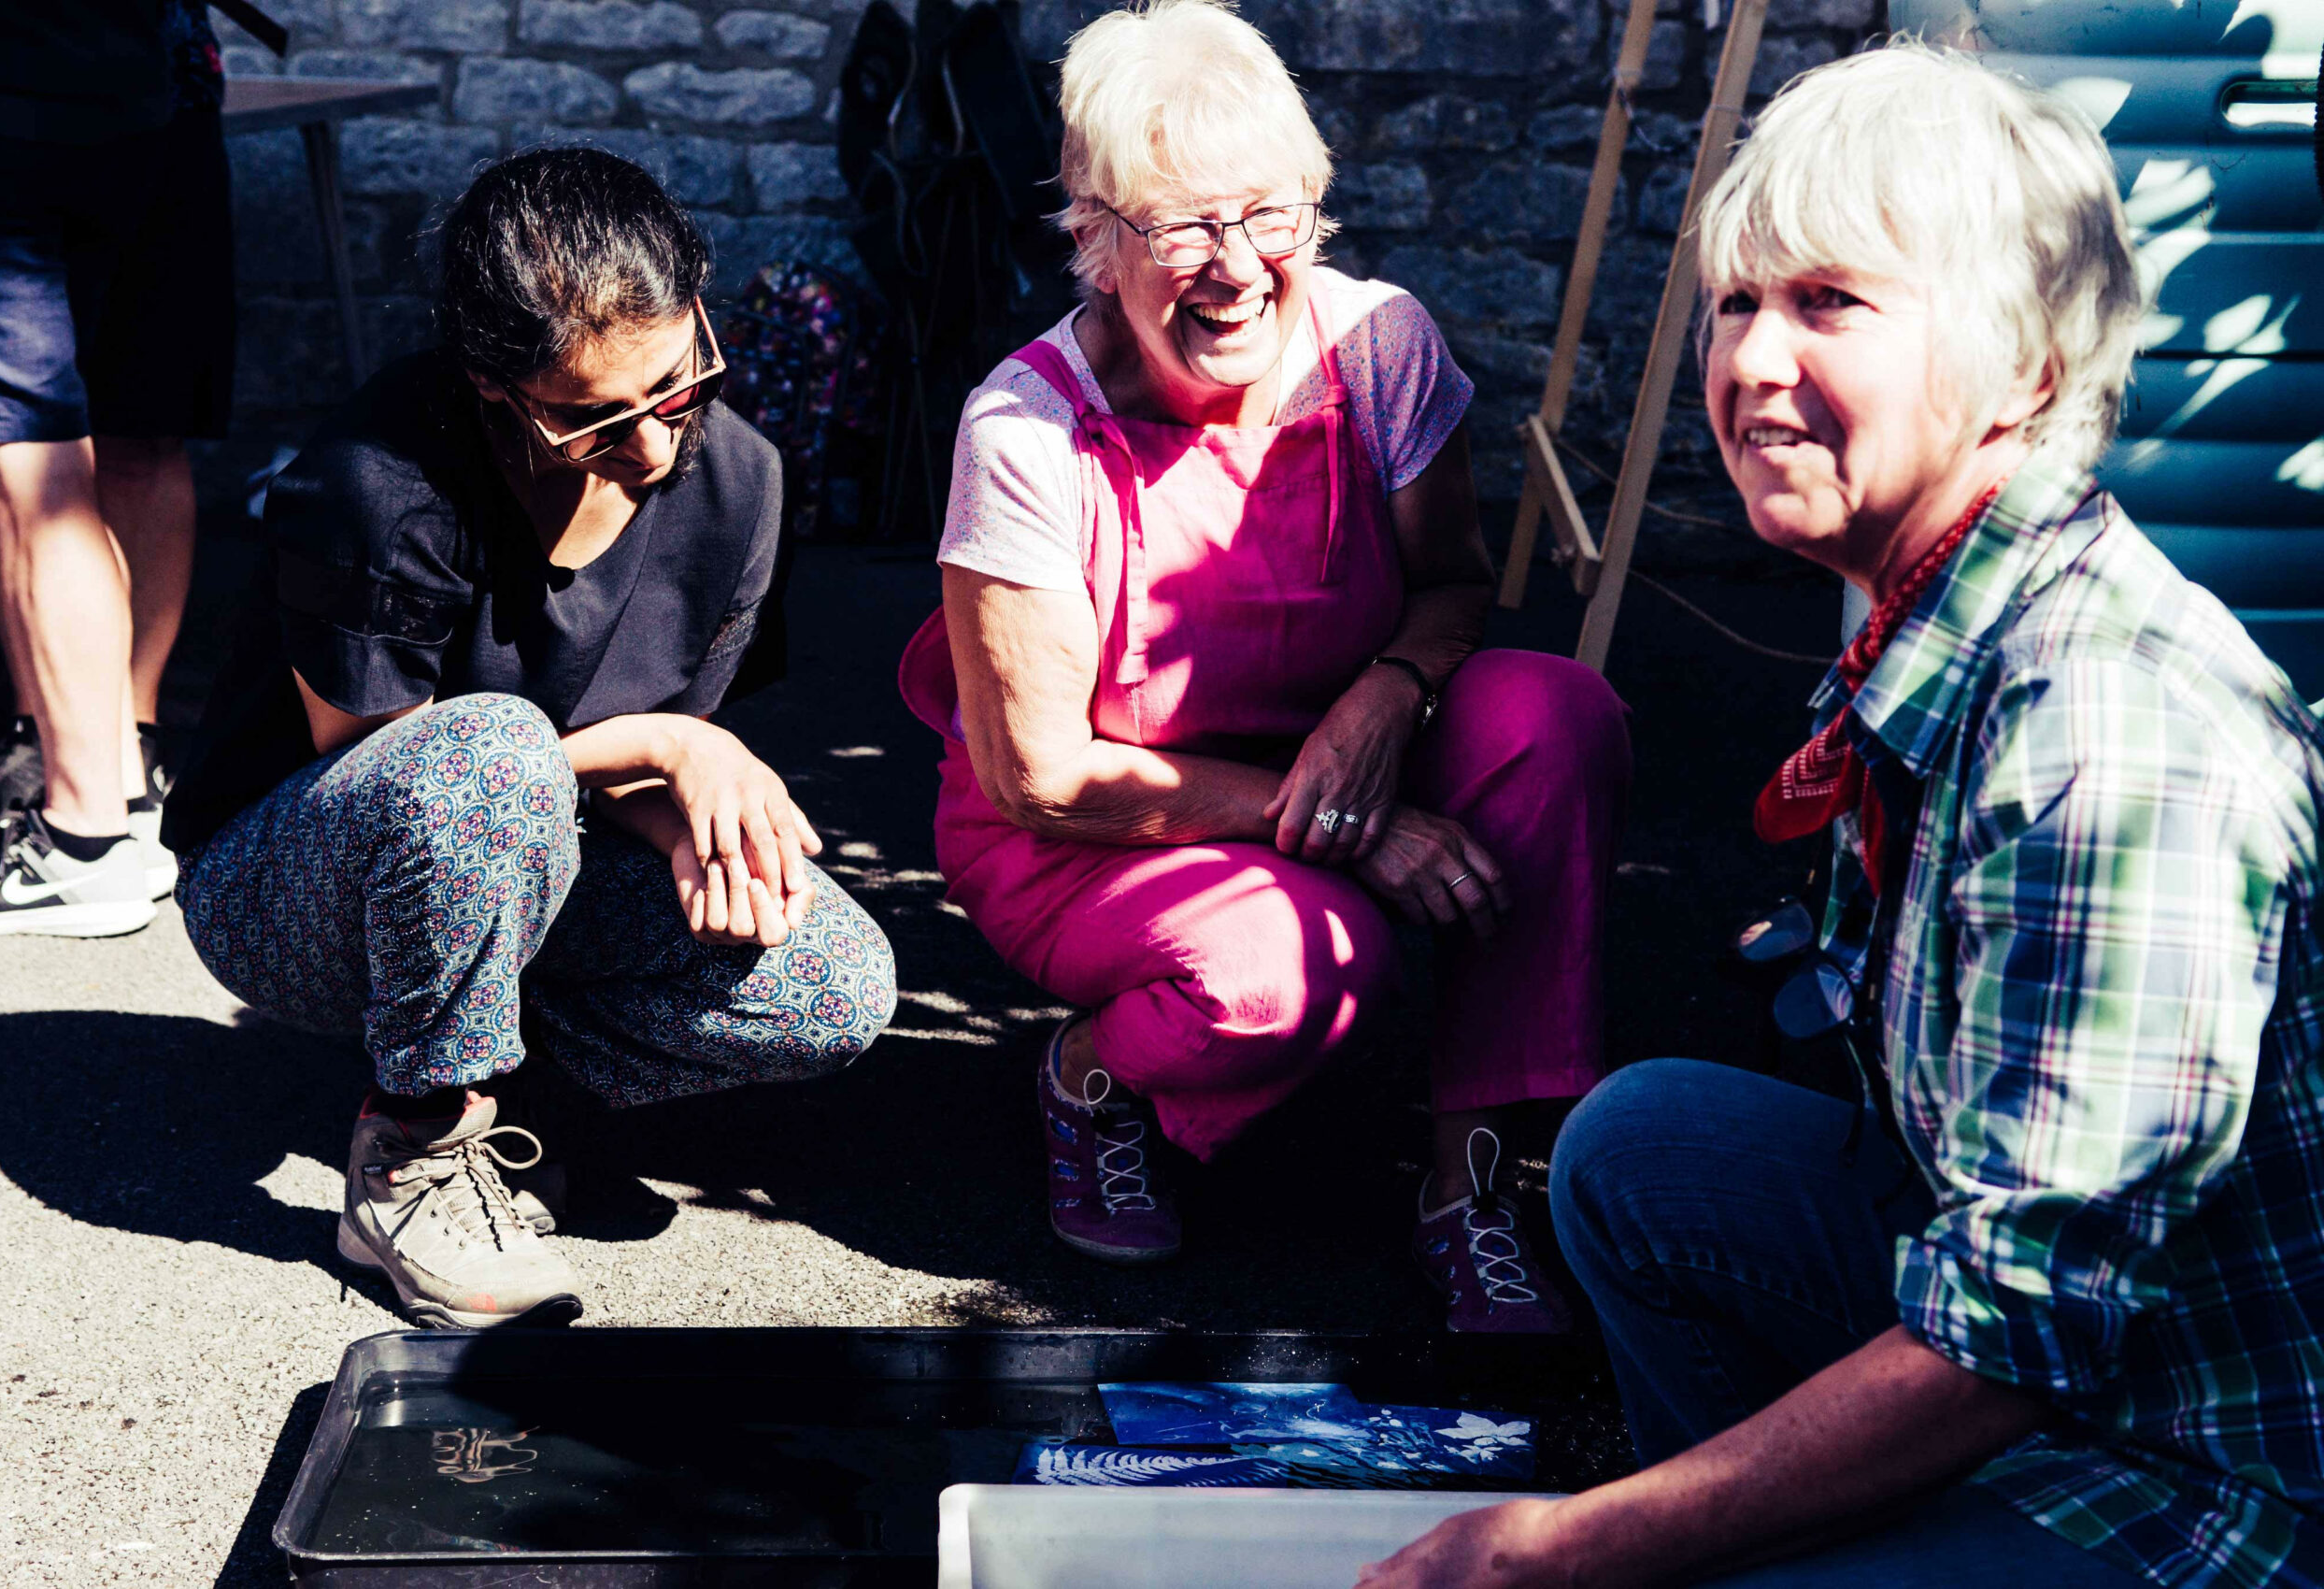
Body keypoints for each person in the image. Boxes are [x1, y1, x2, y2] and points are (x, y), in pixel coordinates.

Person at [1362, 44, 2323, 1588]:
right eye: (1739, 302)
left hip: (2199, 1475)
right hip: (2079, 1352)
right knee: (1640, 1150)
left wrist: (1559, 1551)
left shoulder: (2100, 732)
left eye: (1832, 305)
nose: (1746, 361)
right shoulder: (1933, 625)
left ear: (2027, 367)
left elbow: (2026, 1333)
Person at [898, 0, 1632, 1332]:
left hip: (1339, 759)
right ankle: (1091, 1077)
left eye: (1268, 215)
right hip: (1092, 836)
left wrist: (1387, 693)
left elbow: (1458, 585)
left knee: (1554, 716)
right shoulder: (1025, 426)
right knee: (1291, 968)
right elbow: (1041, 775)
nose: (1234, 266)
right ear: (1094, 240)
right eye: (1180, 225)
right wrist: (1347, 821)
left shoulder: (1382, 346)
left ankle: (1473, 1179)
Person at [161, 148, 898, 1329]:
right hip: (291, 887)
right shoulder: (374, 479)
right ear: (494, 384)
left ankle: (512, 1088)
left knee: (836, 980)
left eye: (675, 383)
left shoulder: (742, 480)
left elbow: (630, 781)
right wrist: (667, 743)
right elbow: (390, 771)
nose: (654, 446)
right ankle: (414, 1146)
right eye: (590, 418)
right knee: (488, 750)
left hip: (525, 849)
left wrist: (702, 834)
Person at [0, 0, 232, 934]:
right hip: (145, 89)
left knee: (19, 463)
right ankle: (118, 783)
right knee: (110, 438)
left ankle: (83, 840)